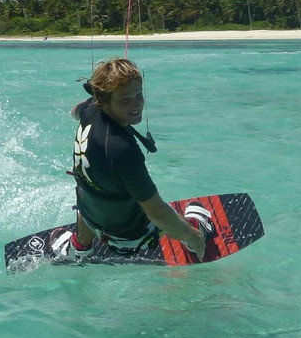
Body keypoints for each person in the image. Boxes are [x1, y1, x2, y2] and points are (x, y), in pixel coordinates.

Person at [52, 57, 211, 262]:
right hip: (128, 235)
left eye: (138, 95)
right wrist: (192, 236)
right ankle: (195, 231)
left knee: (91, 183)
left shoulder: (90, 109)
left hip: (90, 214)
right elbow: (157, 213)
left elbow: (76, 110)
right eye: (125, 100)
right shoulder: (122, 150)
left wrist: (84, 113)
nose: (136, 105)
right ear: (105, 100)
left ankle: (80, 245)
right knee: (168, 216)